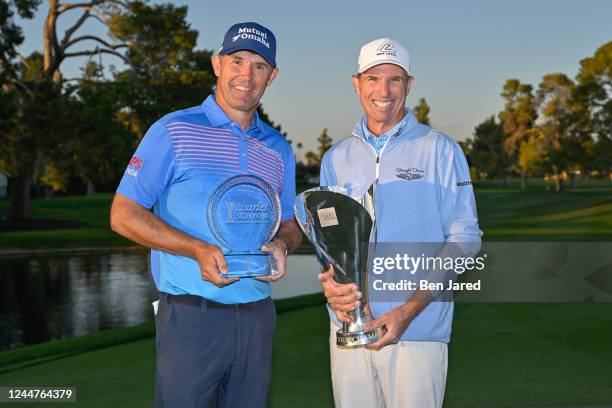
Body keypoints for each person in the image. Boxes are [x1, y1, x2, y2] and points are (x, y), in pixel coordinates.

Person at [110, 22, 301, 408]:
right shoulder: (173, 130)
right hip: (191, 316)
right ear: (217, 64)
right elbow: (123, 214)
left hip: (258, 315)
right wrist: (195, 248)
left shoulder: (278, 148)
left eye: (260, 66)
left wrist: (283, 243)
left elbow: (291, 222)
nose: (246, 75)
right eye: (238, 60)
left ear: (272, 76)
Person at [318, 38, 483, 408]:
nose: (383, 90)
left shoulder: (440, 149)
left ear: (408, 85)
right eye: (373, 78)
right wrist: (331, 284)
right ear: (356, 83)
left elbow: (465, 238)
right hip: (349, 330)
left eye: (395, 80)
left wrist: (409, 310)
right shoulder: (336, 157)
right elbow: (330, 244)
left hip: (418, 330)